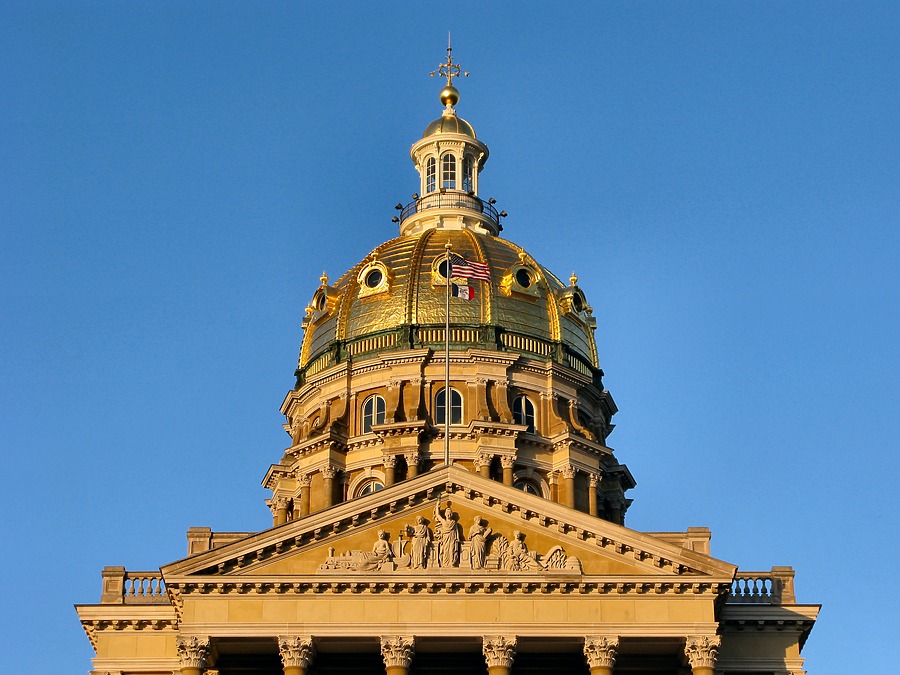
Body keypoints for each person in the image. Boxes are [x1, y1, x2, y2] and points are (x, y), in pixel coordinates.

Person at [433, 502, 460, 567]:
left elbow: (456, 532)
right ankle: (445, 563)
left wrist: (457, 538)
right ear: (445, 514)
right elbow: (437, 515)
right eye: (447, 513)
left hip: (452, 538)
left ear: (451, 514)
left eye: (449, 513)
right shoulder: (443, 521)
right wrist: (437, 506)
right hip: (445, 538)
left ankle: (451, 562)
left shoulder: (453, 522)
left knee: (452, 550)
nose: (448, 514)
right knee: (445, 550)